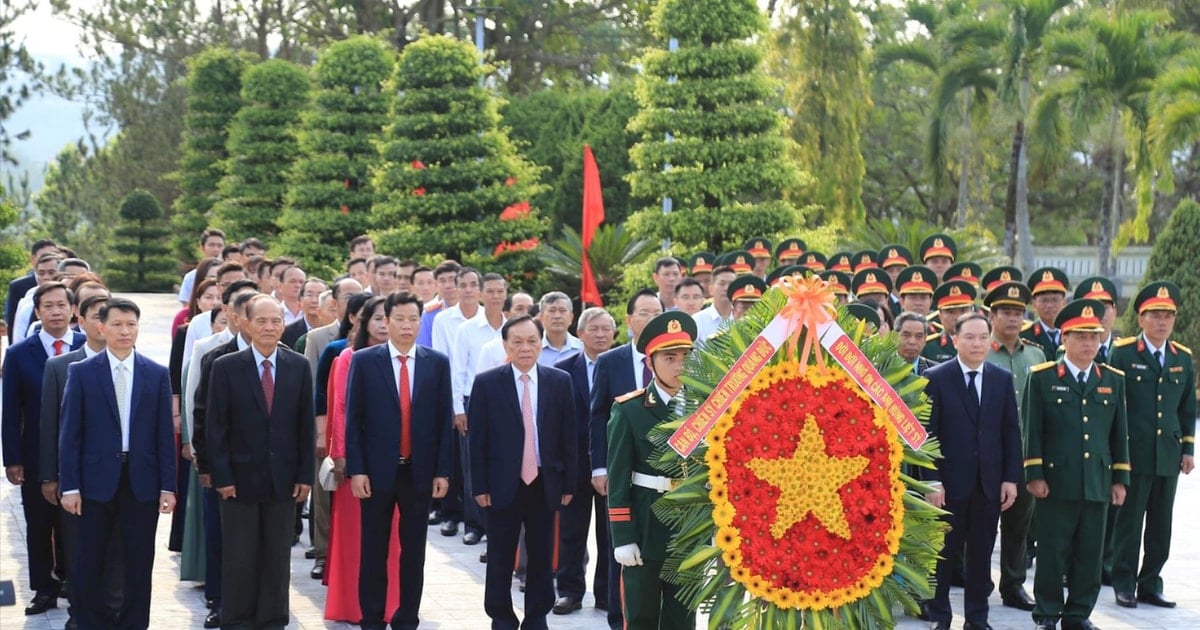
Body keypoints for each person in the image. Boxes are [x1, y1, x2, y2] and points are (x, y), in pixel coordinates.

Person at [58, 297, 176, 629]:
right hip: (94, 481)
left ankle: (135, 624)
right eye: (117, 324)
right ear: (101, 328)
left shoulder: (156, 373)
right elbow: (70, 436)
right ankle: (93, 623)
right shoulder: (81, 372)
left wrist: (168, 485)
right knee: (90, 559)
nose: (125, 331)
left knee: (139, 561)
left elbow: (164, 435)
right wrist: (69, 486)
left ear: (138, 328)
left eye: (131, 324)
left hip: (142, 480)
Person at [345, 292, 455, 629]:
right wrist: (357, 469)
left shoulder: (436, 363)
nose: (407, 326)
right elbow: (355, 420)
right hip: (377, 472)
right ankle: (372, 618)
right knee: (374, 549)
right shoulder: (364, 361)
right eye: (400, 319)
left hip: (419, 472)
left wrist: (442, 471)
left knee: (414, 552)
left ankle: (407, 616)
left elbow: (442, 420)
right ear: (386, 321)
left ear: (420, 323)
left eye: (413, 319)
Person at [206, 294, 314, 629]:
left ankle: (272, 619)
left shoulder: (298, 365)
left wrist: (304, 475)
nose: (269, 327)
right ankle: (237, 619)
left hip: (283, 478)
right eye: (262, 321)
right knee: (240, 555)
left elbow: (305, 426)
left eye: (276, 321)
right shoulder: (226, 367)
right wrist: (221, 475)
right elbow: (215, 427)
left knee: (277, 556)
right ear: (245, 323)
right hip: (238, 478)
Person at [1024, 299, 1129, 630]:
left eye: (1094, 337)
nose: (1088, 344)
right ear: (1064, 339)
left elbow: (1119, 434)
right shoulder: (1042, 378)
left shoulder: (1113, 379)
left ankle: (1078, 613)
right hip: (1056, 481)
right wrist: (1034, 474)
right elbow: (1033, 431)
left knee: (1090, 553)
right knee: (1053, 552)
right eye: (1080, 336)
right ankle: (1047, 612)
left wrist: (1119, 479)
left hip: (1097, 481)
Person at [469, 315, 577, 630]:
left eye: (531, 341)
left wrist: (569, 482)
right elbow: (477, 440)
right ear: (505, 345)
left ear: (541, 343)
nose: (525, 348)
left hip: (545, 480)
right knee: (500, 553)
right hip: (503, 481)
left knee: (542, 555)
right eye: (517, 341)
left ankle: (536, 616)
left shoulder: (559, 381)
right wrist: (480, 485)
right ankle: (501, 616)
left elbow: (569, 436)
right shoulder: (488, 382)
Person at [922, 313, 1022, 630]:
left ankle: (977, 619)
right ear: (955, 341)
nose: (977, 344)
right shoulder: (936, 378)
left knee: (980, 558)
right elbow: (927, 435)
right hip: (948, 485)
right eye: (969, 337)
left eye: (982, 337)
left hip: (988, 484)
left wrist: (1010, 478)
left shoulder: (1001, 378)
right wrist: (932, 480)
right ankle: (940, 616)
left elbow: (1010, 432)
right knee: (943, 556)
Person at [607, 311, 698, 630]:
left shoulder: (704, 409)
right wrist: (623, 537)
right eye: (669, 358)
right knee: (641, 615)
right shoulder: (629, 409)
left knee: (682, 618)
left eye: (685, 357)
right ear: (650, 363)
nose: (678, 366)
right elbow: (618, 479)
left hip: (689, 529)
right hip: (645, 523)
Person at [1109, 281, 1195, 609]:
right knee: (1129, 523)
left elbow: (1187, 408)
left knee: (1161, 524)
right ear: (1141, 318)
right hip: (1133, 453)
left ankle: (1150, 583)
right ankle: (1124, 583)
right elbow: (1115, 404)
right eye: (1155, 315)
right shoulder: (1125, 352)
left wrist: (1188, 449)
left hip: (1167, 455)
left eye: (1167, 316)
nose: (1162, 322)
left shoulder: (1181, 357)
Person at [2, 281, 84, 615]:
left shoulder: (87, 346)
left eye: (61, 305)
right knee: (39, 523)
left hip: (80, 453)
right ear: (37, 312)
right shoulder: (20, 353)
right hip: (37, 452)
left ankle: (73, 581)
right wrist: (13, 459)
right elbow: (11, 412)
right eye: (47, 306)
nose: (55, 311)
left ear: (73, 309)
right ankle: (44, 588)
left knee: (75, 522)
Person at [38, 292, 119, 627]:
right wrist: (51, 476)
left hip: (121, 477)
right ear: (81, 321)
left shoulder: (132, 364)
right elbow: (50, 426)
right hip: (77, 477)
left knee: (117, 551)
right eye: (96, 316)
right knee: (80, 551)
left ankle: (114, 609)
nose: (104, 323)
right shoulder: (61, 366)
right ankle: (81, 615)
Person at [323, 295, 402, 622]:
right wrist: (344, 458)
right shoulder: (348, 357)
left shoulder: (404, 359)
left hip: (394, 464)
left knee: (393, 540)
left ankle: (392, 604)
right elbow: (341, 409)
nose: (384, 325)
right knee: (358, 540)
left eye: (390, 318)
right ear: (364, 322)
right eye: (378, 319)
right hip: (357, 464)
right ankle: (354, 605)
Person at [590, 289, 662, 630]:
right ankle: (617, 615)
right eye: (644, 313)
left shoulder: (681, 369)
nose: (650, 319)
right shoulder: (610, 361)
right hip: (625, 474)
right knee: (619, 548)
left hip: (662, 484)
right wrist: (599, 466)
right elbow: (597, 417)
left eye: (656, 312)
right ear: (630, 321)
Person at [983, 281, 1044, 612]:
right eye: (1006, 312)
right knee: (982, 524)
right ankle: (978, 582)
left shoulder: (1035, 354)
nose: (1013, 318)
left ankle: (1013, 584)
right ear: (992, 316)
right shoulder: (980, 352)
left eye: (1019, 312)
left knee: (1020, 526)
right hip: (989, 455)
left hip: (1025, 454)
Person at [553, 307, 616, 615]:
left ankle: (606, 592)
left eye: (607, 329)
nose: (601, 334)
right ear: (580, 334)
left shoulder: (621, 366)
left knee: (610, 533)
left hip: (612, 461)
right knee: (571, 531)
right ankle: (569, 590)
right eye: (594, 329)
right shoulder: (563, 368)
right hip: (574, 463)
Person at [450, 272, 508, 546]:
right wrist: (458, 408)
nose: (496, 296)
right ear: (482, 294)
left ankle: (499, 522)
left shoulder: (514, 327)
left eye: (500, 291)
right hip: (474, 401)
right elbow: (458, 369)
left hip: (510, 403)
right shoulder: (468, 329)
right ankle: (474, 525)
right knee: (473, 464)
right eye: (491, 291)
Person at [5, 239, 56, 343]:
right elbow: (14, 326)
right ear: (33, 259)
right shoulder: (26, 299)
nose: (46, 277)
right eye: (44, 256)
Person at [1021, 267, 1071, 360]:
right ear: (1034, 304)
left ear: (1064, 302)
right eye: (1044, 300)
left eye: (1055, 300)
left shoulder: (1073, 334)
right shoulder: (1024, 336)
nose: (1049, 305)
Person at [922, 281, 977, 363]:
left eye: (963, 310)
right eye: (950, 312)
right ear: (940, 316)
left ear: (972, 312)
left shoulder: (985, 343)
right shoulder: (927, 347)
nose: (957, 317)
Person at [179, 229, 227, 306]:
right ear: (202, 248)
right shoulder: (191, 277)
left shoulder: (229, 274)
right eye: (211, 245)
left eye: (219, 245)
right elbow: (187, 306)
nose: (216, 249)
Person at [283, 277, 328, 348]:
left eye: (319, 296)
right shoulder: (287, 332)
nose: (314, 300)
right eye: (309, 295)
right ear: (300, 300)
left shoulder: (335, 331)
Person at [693, 265, 734, 341]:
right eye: (722, 284)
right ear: (711, 289)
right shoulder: (697, 320)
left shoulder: (743, 319)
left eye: (731, 284)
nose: (726, 288)